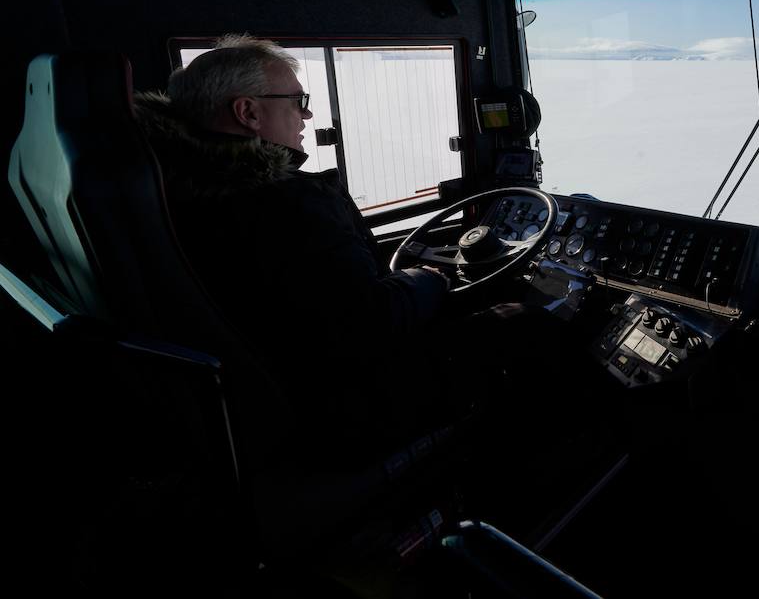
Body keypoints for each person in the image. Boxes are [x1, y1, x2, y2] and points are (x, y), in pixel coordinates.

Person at [133, 35, 531, 458]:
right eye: (297, 100)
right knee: (521, 321)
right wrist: (426, 280)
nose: (306, 114)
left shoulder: (180, 188)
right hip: (347, 408)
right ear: (248, 111)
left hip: (282, 388)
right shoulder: (282, 202)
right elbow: (368, 325)